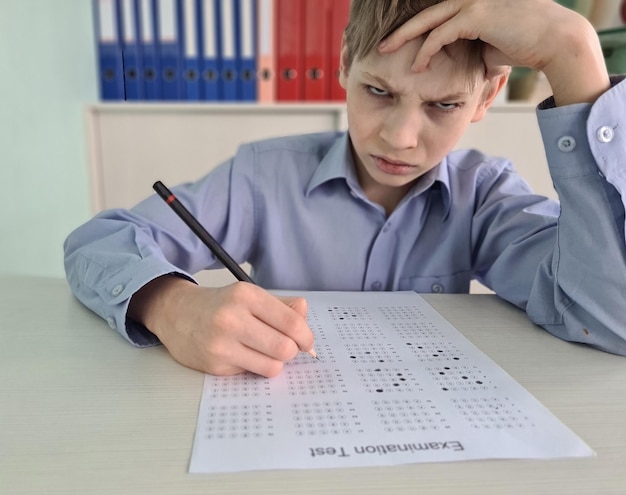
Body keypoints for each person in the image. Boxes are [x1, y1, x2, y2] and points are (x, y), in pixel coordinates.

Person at [64, 0, 626, 378]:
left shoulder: (485, 194)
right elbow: (100, 241)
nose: (401, 137)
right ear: (343, 67)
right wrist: (172, 306)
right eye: (378, 90)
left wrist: (571, 53)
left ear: (486, 98)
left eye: (444, 104)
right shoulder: (264, 176)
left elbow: (605, 316)